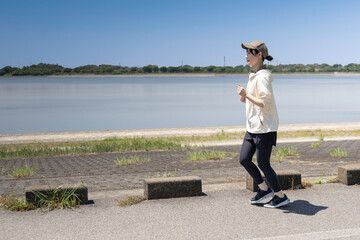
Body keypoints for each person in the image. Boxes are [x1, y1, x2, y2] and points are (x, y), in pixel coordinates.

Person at [237, 40, 290, 208]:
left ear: (259, 55)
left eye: (249, 53)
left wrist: (247, 94)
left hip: (264, 128)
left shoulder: (263, 77)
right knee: (244, 159)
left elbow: (265, 103)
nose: (246, 56)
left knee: (263, 164)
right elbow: (255, 101)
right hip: (253, 126)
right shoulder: (254, 76)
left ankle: (280, 196)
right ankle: (264, 189)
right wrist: (245, 98)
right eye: (246, 53)